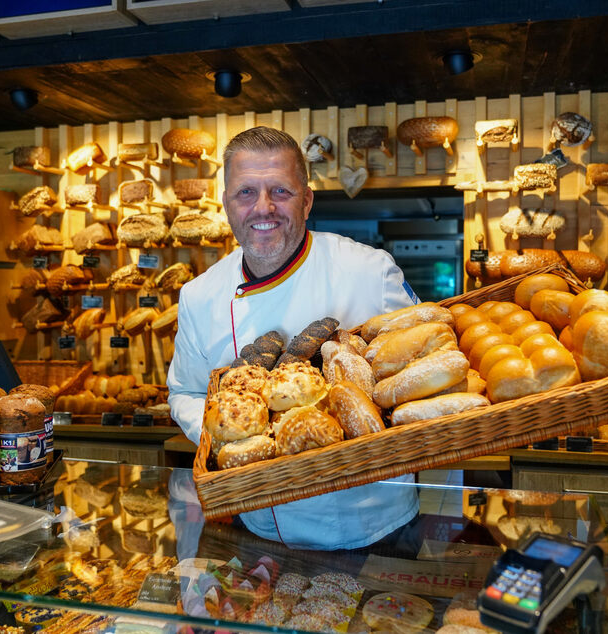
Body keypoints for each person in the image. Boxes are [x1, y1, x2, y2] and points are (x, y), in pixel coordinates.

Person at [167, 126, 420, 550]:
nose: (262, 208)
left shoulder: (371, 272)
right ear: (226, 205)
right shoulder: (200, 296)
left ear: (306, 201)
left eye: (280, 191)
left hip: (373, 525)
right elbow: (186, 393)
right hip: (260, 529)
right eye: (245, 193)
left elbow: (414, 379)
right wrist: (235, 433)